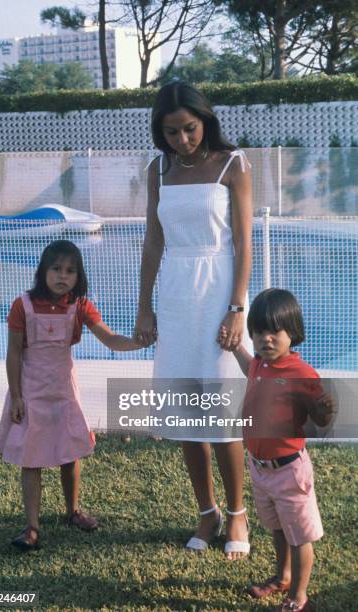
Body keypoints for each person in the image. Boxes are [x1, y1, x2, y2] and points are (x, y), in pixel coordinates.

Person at [134, 82, 253, 559]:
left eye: (189, 128)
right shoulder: (157, 169)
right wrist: (144, 305)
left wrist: (237, 307)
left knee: (224, 412)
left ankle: (238, 514)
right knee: (186, 412)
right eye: (171, 132)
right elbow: (153, 241)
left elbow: (243, 242)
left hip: (219, 288)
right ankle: (206, 512)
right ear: (160, 133)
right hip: (178, 294)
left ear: (205, 120)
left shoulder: (233, 163)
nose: (182, 139)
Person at [0, 240, 146, 551]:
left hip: (64, 391)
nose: (62, 276)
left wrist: (138, 343)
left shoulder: (80, 306)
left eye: (70, 270)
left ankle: (72, 511)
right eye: (56, 269)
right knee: (31, 458)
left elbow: (110, 339)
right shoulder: (21, 305)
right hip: (30, 392)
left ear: (78, 276)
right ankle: (32, 527)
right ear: (43, 271)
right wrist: (17, 396)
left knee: (70, 454)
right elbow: (12, 354)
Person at [229, 288, 334, 611]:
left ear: (293, 332)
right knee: (277, 528)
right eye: (258, 332)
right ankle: (282, 576)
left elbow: (321, 417)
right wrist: (236, 348)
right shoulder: (260, 364)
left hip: (289, 472)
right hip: (261, 469)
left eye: (274, 331)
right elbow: (251, 371)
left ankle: (299, 598)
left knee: (299, 536)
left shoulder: (301, 374)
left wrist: (324, 410)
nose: (266, 339)